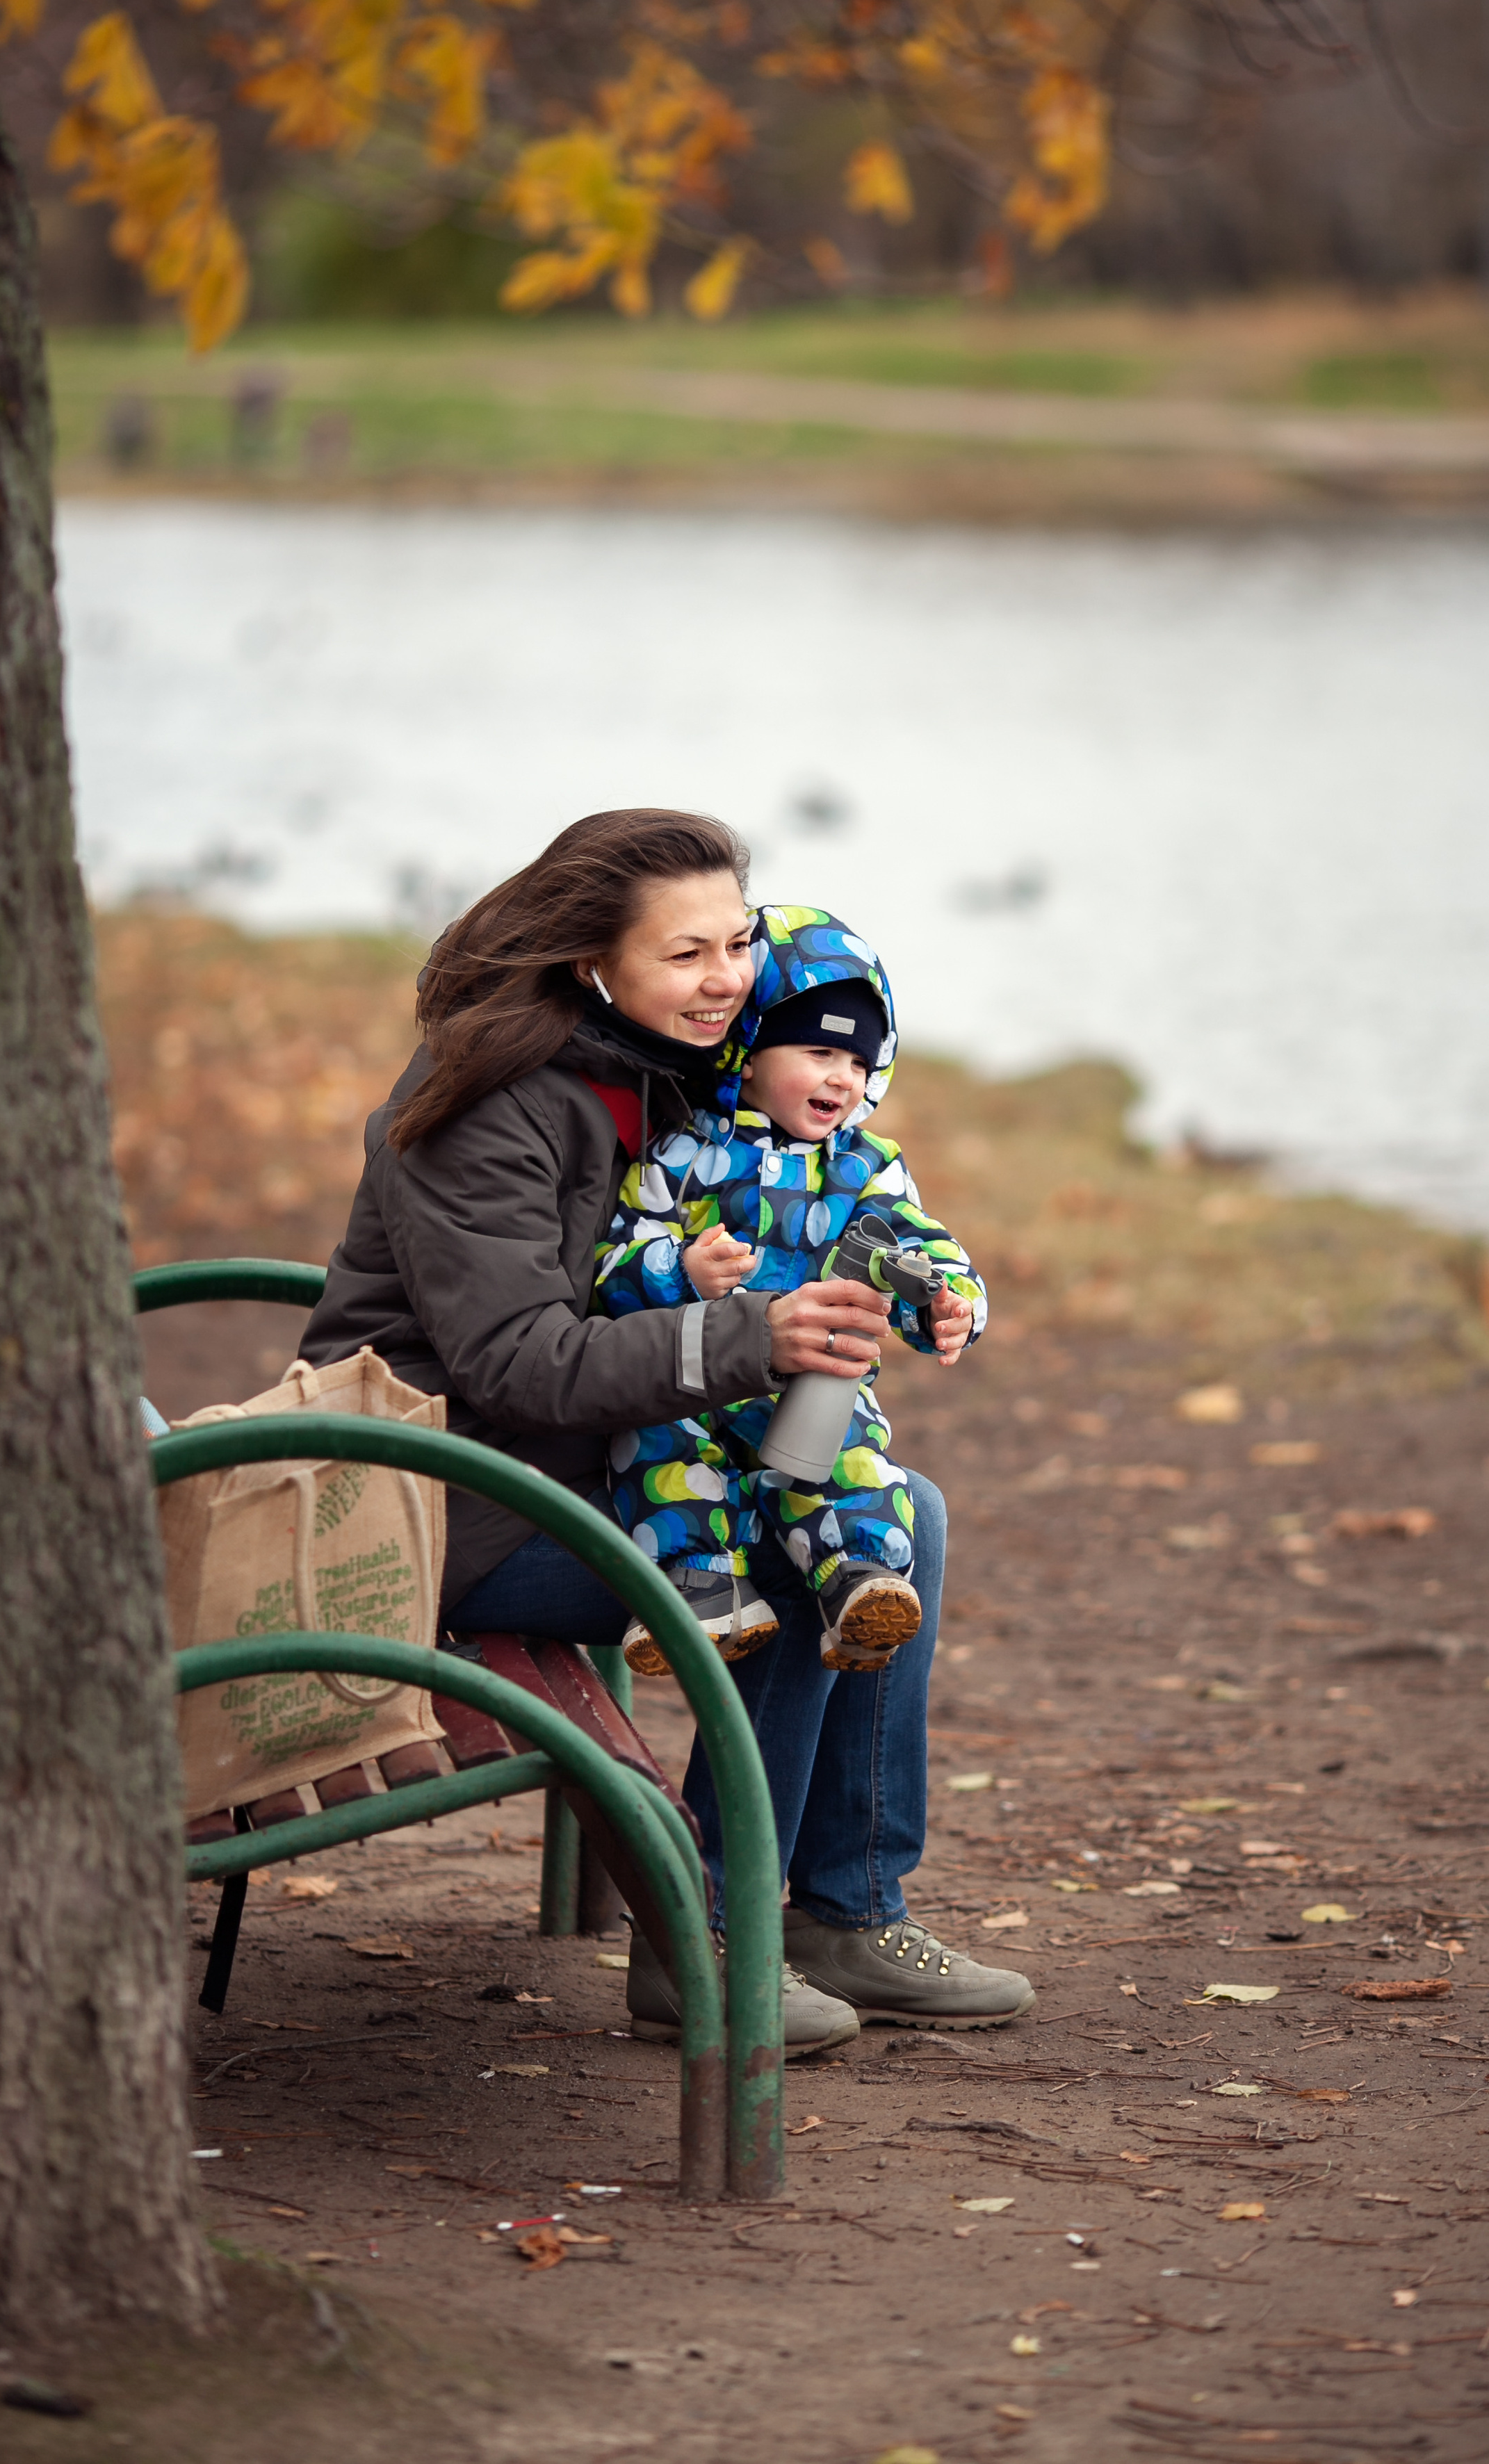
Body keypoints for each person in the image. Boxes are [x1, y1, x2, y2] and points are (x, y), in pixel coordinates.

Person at [297, 808, 1033, 2047]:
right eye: (685, 954)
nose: (727, 978)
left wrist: (888, 1282)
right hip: (447, 1493)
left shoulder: (663, 1068)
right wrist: (757, 1338)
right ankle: (708, 1942)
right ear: (592, 960)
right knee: (793, 1569)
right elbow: (516, 1363)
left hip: (582, 1458)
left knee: (907, 1515)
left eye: (737, 943)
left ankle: (848, 1911)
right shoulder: (492, 1105)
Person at [595, 903, 986, 1678]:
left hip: (811, 1383)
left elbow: (915, 1244)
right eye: (818, 1051)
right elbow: (611, 1263)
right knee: (661, 1450)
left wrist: (946, 1300)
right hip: (691, 1375)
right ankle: (701, 1586)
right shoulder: (680, 1152)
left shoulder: (864, 1168)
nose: (842, 1077)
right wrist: (679, 1269)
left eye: (859, 1064)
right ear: (748, 1049)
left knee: (849, 1456)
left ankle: (860, 1578)